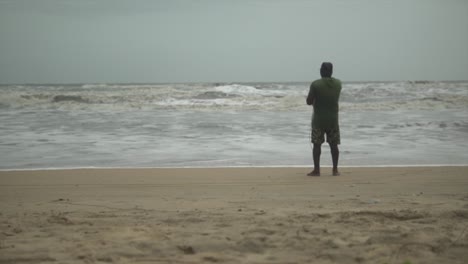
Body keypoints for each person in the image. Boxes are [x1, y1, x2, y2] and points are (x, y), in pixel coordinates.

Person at [306, 62, 342, 176]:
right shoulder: (338, 83)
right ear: (331, 71)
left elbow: (309, 101)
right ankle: (335, 170)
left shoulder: (316, 84)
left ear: (321, 71)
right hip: (333, 119)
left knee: (317, 145)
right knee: (334, 145)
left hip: (319, 120)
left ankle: (317, 170)